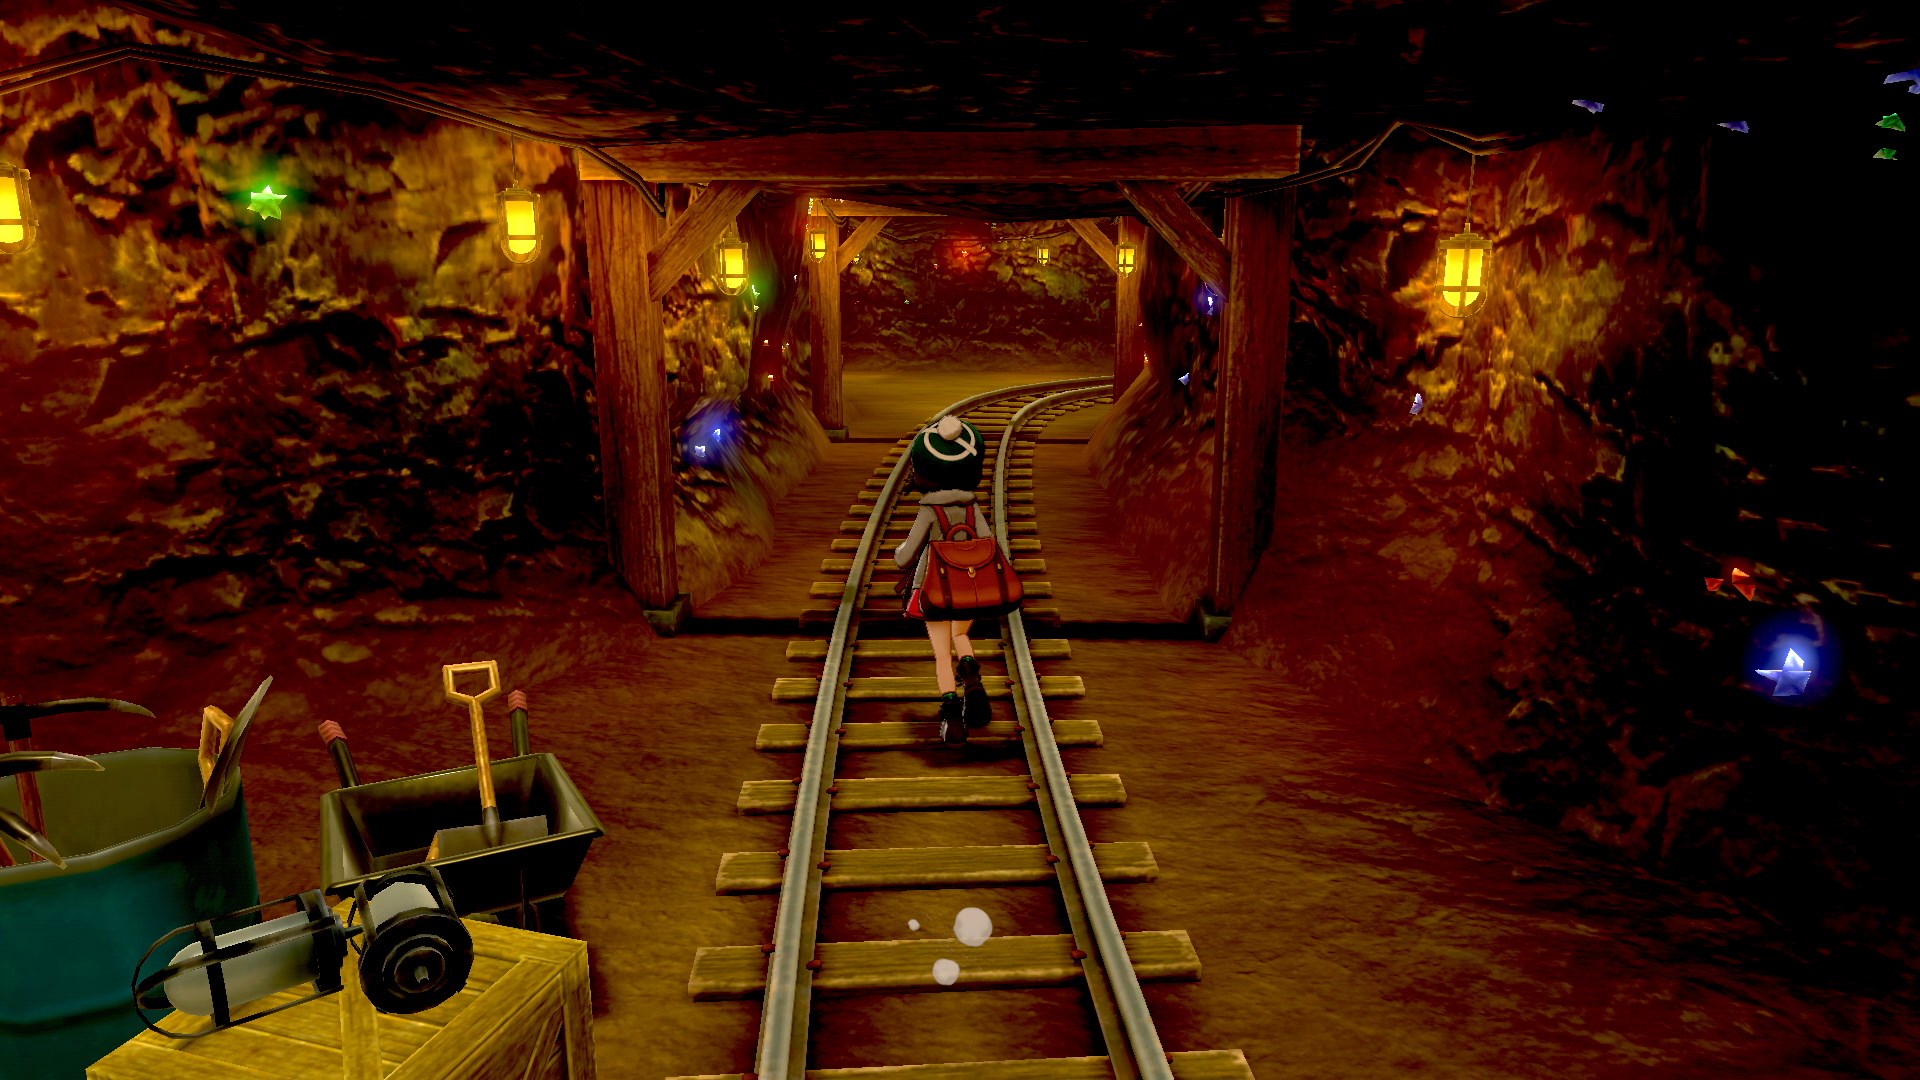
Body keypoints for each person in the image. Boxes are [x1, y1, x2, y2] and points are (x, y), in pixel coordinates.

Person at [894, 414, 1000, 744]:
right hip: (968, 585)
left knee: (941, 653)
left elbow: (905, 556)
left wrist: (898, 553)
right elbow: (989, 543)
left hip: (935, 589)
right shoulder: (972, 509)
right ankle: (971, 673)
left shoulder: (930, 511)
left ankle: (951, 713)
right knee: (961, 634)